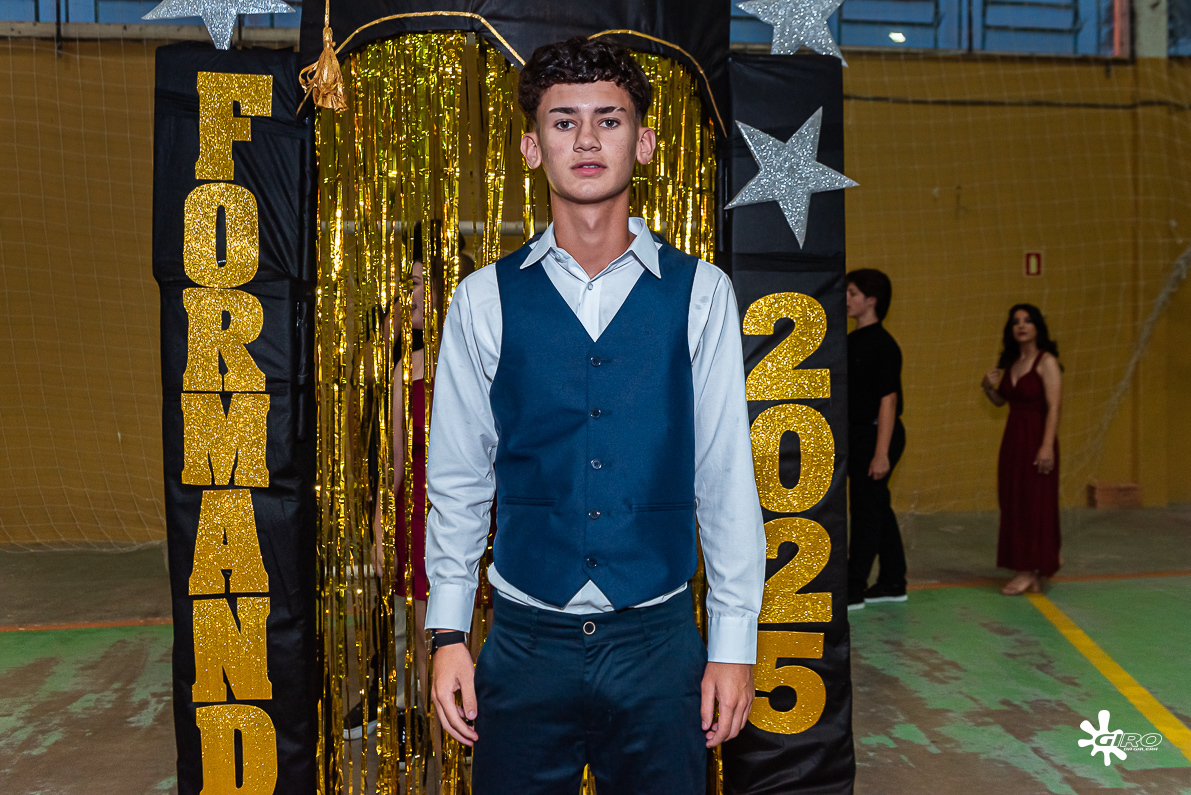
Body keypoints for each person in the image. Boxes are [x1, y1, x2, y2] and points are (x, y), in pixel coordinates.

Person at [423, 37, 765, 793]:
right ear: (531, 147)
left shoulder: (702, 292)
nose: (585, 139)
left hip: (658, 644)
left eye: (608, 120)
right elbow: (458, 478)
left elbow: (724, 478)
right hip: (522, 641)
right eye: (562, 121)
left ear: (643, 143)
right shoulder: (483, 299)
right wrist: (448, 632)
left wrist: (734, 640)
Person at [981, 304, 1062, 595]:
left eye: (1028, 320)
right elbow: (1001, 402)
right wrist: (987, 388)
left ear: (1038, 326)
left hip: (1037, 439)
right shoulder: (1013, 363)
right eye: (1016, 321)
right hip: (1013, 440)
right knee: (1014, 501)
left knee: (1036, 503)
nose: (1022, 326)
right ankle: (1033, 569)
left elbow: (1054, 407)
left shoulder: (1046, 361)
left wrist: (1046, 446)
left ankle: (1029, 569)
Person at [845, 269, 907, 610]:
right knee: (877, 507)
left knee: (866, 512)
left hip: (877, 434)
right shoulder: (852, 340)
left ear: (871, 300)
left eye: (852, 293)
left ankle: (854, 588)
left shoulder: (883, 345)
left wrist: (881, 452)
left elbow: (889, 400)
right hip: (859, 435)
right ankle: (893, 581)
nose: (846, 299)